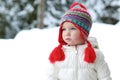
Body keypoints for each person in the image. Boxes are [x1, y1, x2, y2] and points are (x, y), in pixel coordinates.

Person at [47, 2, 112, 80]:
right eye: (64, 29)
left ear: (84, 32)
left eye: (72, 28)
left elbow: (105, 77)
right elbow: (52, 76)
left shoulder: (95, 54)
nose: (67, 33)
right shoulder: (59, 54)